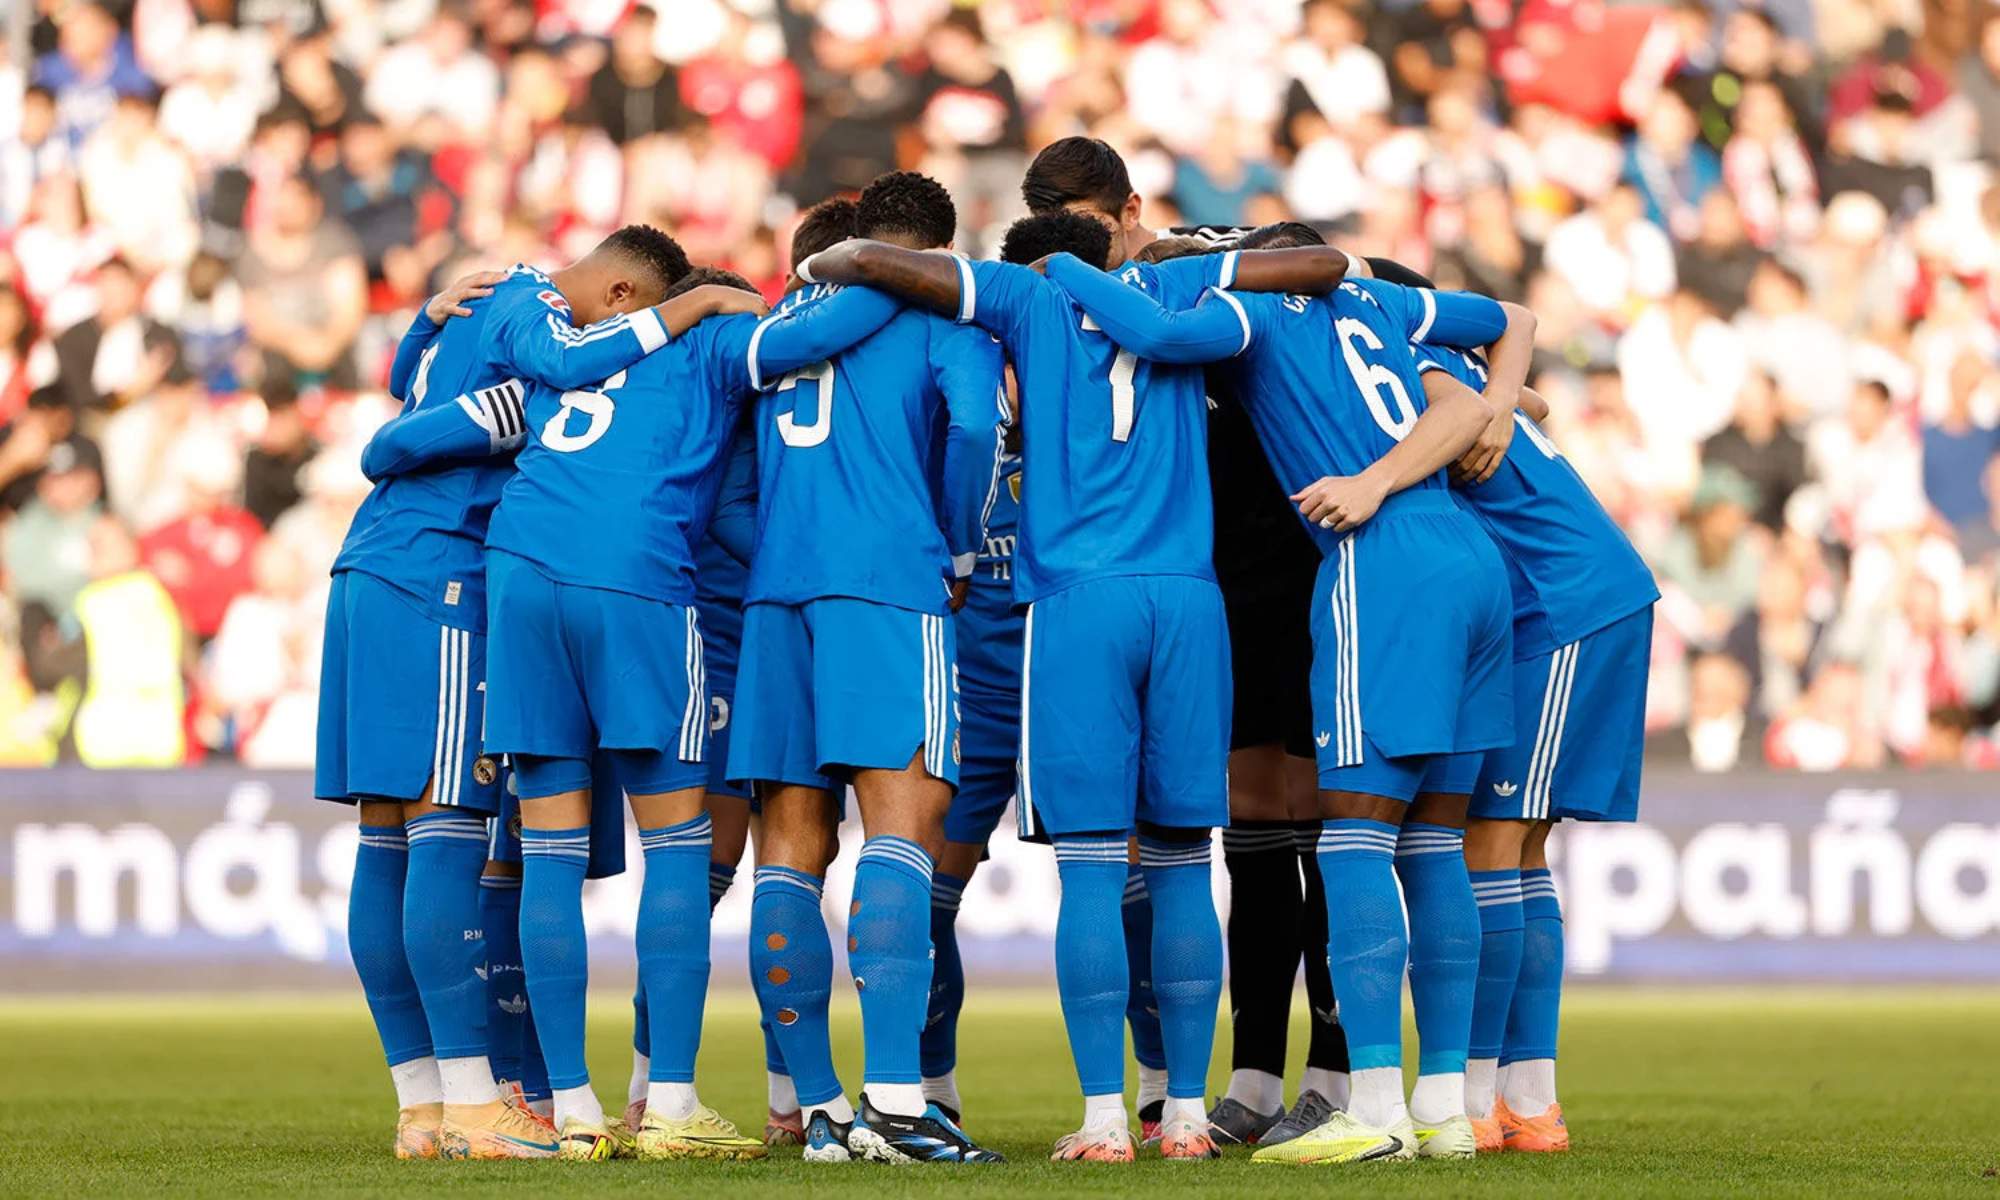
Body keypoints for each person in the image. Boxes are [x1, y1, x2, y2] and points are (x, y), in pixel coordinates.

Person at [795, 209, 1344, 1162]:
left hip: (1078, 603)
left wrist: (827, 258)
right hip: (1189, 601)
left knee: (1090, 871)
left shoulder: (1025, 293)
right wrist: (1189, 256)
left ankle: (1099, 1121)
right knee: (1178, 865)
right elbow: (1326, 263)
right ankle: (1180, 1113)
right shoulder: (1181, 287)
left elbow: (889, 263)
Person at [1038, 223, 1520, 1165]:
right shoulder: (1382, 303)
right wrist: (1500, 404)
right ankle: (1446, 1110)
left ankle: (1368, 1108)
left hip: (1373, 562)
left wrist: (1065, 267)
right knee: (1433, 844)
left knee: (1353, 838)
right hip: (1471, 562)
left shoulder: (1247, 308)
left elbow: (1165, 339)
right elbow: (1513, 321)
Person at [316, 232, 759, 1162]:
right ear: (623, 291)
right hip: (439, 580)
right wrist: (693, 310)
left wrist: (422, 319)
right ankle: (481, 1102)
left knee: (394, 837)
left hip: (393, 576)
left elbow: (408, 395)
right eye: (627, 315)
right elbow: (389, 444)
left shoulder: (480, 307)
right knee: (447, 837)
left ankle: (429, 1104)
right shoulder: (538, 328)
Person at [1017, 135, 1346, 1147]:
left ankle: (1330, 1068)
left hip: (1298, 556)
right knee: (1225, 840)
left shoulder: (1183, 263)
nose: (1077, 236)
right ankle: (1236, 1077)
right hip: (1211, 583)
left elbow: (1337, 269)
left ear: (1127, 208)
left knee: (1325, 827)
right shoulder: (1079, 289)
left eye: (1087, 218)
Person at [727, 171, 1007, 1165]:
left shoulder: (783, 318)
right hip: (887, 586)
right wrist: (961, 548)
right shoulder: (938, 311)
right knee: (906, 822)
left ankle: (815, 1113)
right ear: (937, 246)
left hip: (776, 596)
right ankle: (895, 1104)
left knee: (790, 848)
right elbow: (974, 428)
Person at [623, 197, 863, 1150]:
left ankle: (777, 1098)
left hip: (766, 631)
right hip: (735, 636)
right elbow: (724, 505)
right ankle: (670, 1090)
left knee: (783, 866)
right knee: (725, 869)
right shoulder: (748, 364)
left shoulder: (766, 358)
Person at [1413, 310, 1659, 1155]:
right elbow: (1538, 404)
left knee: (1490, 840)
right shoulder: (1478, 387)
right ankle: (1529, 1100)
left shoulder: (1428, 386)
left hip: (1563, 608)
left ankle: (1479, 1096)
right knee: (1518, 852)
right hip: (1581, 601)